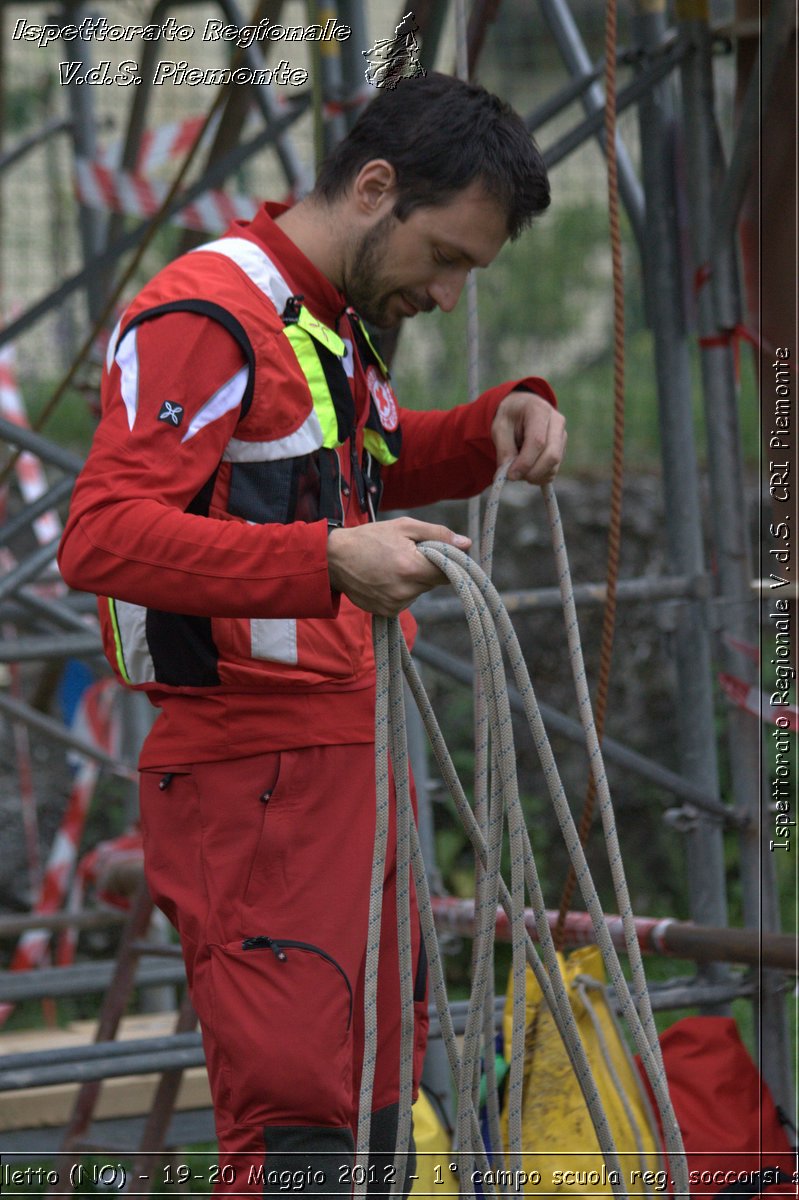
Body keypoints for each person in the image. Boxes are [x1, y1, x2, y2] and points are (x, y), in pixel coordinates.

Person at [58, 71, 566, 1196]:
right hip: (254, 781)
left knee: (376, 1114)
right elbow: (99, 538)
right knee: (300, 1137)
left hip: (345, 762)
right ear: (374, 186)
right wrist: (324, 562)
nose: (445, 292)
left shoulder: (322, 317)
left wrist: (495, 426)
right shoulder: (209, 313)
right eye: (444, 257)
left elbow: (350, 471)